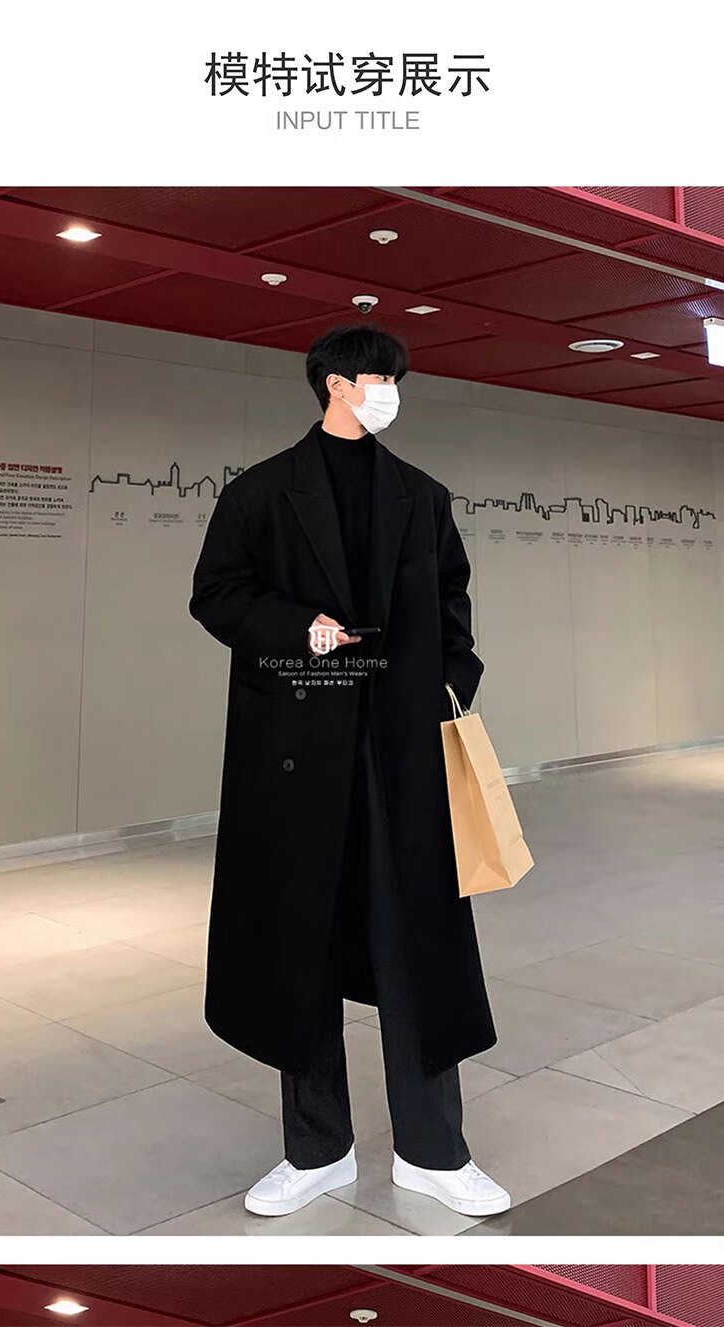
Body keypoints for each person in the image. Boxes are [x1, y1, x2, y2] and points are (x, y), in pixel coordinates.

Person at [188, 323, 510, 1219]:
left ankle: (435, 1152)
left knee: (418, 950)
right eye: (378, 378)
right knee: (301, 947)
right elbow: (216, 594)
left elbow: (453, 605)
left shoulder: (422, 496)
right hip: (298, 752)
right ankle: (316, 1150)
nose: (391, 392)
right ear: (335, 383)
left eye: (396, 379)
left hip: (402, 753)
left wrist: (451, 681)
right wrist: (299, 627)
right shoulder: (260, 492)